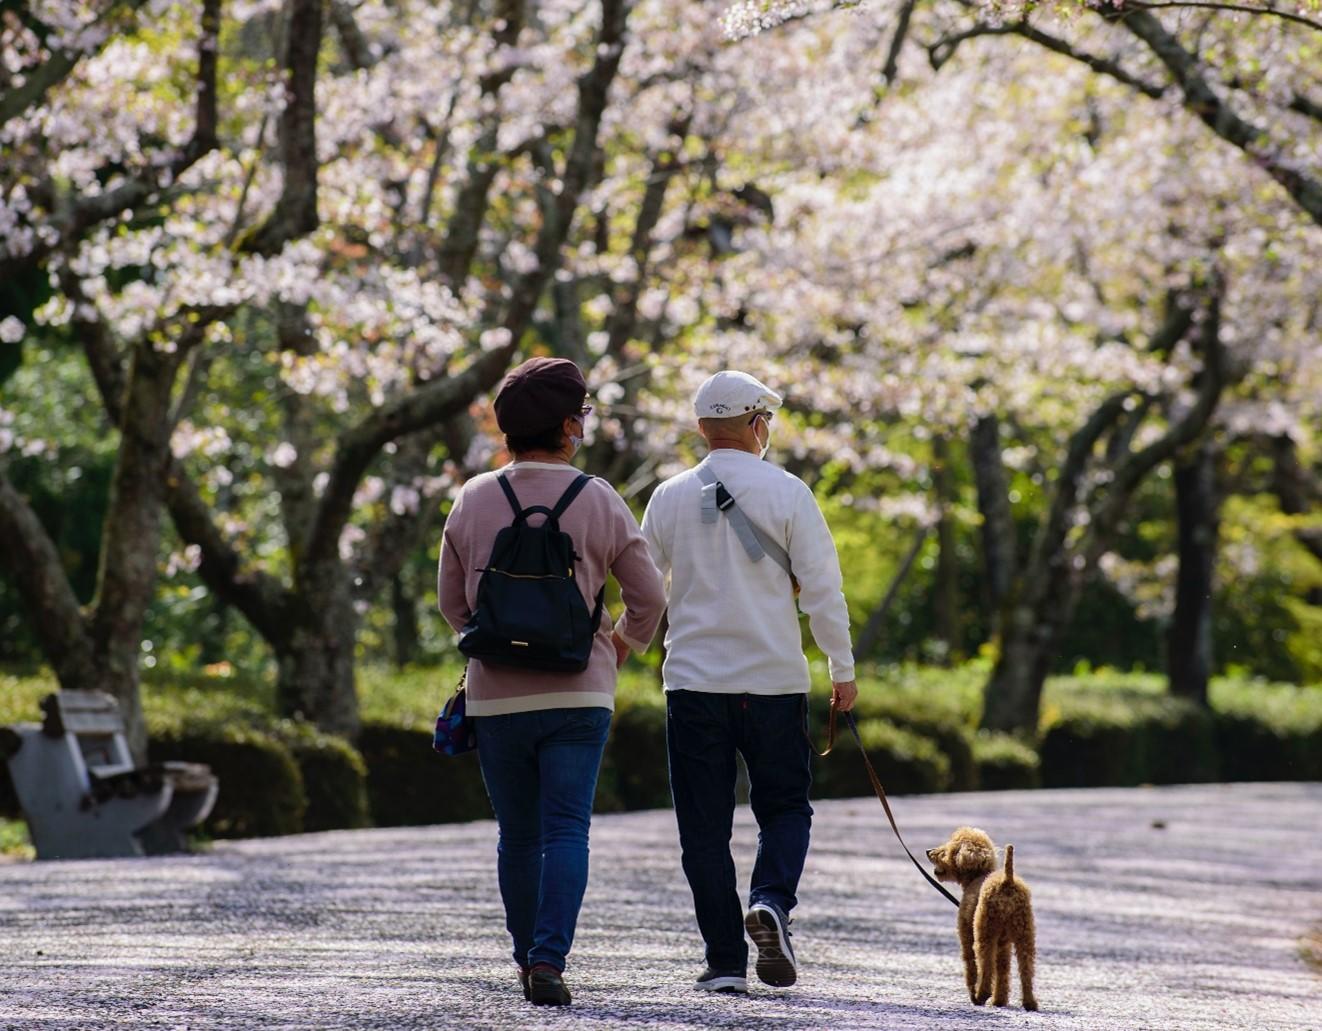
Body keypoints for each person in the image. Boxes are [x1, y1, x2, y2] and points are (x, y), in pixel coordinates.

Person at [438, 356, 666, 1007]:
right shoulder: (598, 497)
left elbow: (452, 602)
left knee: (519, 832)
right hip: (578, 690)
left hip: (496, 692)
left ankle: (523, 956)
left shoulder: (474, 497)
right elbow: (649, 595)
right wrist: (620, 644)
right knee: (568, 828)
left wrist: (492, 642)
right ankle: (549, 956)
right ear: (569, 425)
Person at [640, 369, 858, 995]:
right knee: (784, 806)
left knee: (703, 827)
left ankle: (725, 963)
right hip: (772, 682)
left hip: (693, 683)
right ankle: (770, 903)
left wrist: (615, 648)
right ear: (757, 424)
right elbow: (823, 591)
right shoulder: (790, 492)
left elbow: (645, 593)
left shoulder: (668, 496)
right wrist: (842, 670)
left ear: (704, 426)